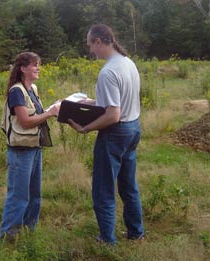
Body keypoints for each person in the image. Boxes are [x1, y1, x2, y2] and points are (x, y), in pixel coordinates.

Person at [68, 24, 144, 244]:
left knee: (103, 189)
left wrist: (85, 128)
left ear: (99, 42)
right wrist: (88, 102)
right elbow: (114, 103)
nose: (91, 50)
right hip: (133, 129)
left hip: (115, 133)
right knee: (129, 186)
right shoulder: (128, 63)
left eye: (91, 45)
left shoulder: (108, 72)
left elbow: (113, 115)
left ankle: (107, 240)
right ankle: (136, 233)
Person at [0, 52, 60, 242]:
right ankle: (8, 237)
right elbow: (25, 122)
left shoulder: (32, 88)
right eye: (34, 65)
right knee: (18, 196)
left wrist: (53, 109)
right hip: (21, 151)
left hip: (34, 148)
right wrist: (50, 113)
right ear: (23, 68)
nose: (38, 68)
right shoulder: (16, 91)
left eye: (38, 64)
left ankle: (29, 232)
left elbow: (36, 114)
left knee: (35, 195)